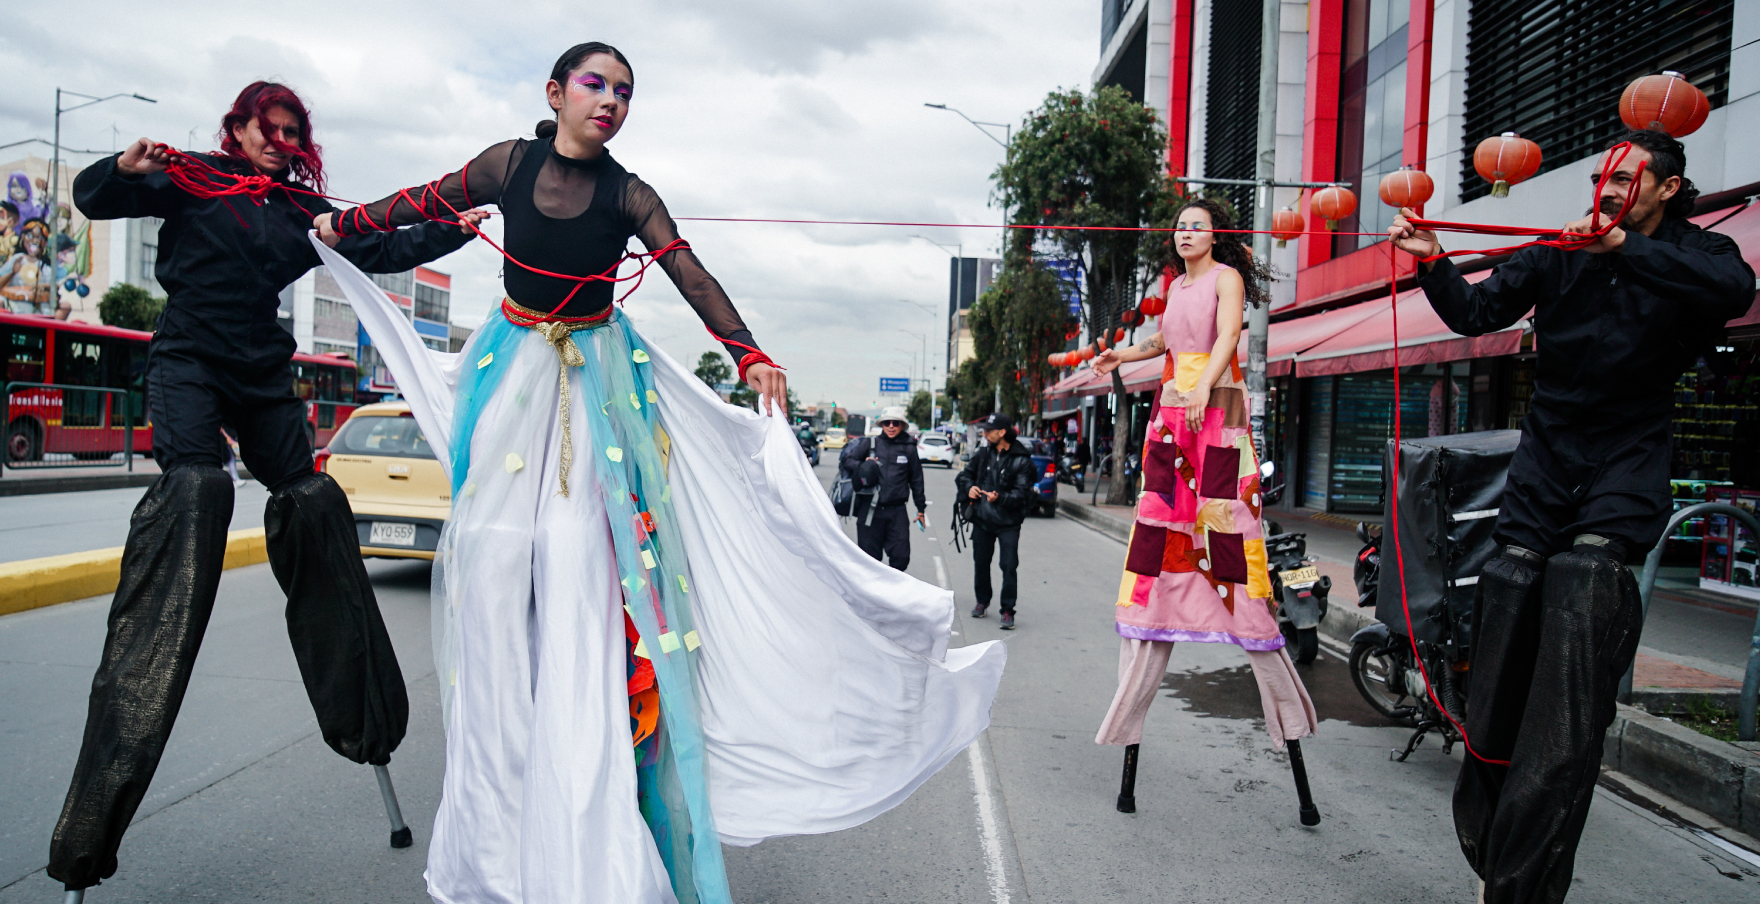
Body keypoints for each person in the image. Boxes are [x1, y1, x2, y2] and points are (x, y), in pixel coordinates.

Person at [312, 42, 1005, 904]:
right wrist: (341, 225)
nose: (610, 102)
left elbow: (687, 270)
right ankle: (497, 826)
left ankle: (587, 821)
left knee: (575, 576)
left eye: (626, 93)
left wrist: (749, 354)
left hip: (596, 391)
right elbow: (419, 200)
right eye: (595, 86)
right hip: (512, 374)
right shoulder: (508, 163)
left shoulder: (628, 193)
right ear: (556, 93)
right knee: (489, 567)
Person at [48, 81, 480, 896]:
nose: (280, 141)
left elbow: (380, 246)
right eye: (268, 129)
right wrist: (120, 166)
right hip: (187, 363)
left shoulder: (296, 210)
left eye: (292, 132)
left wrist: (452, 231)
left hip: (261, 375)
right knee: (197, 493)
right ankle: (95, 815)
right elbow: (94, 198)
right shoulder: (190, 176)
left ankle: (367, 725)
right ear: (237, 127)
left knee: (316, 505)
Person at [1390, 129, 1755, 903]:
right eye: (1602, 177)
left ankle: (1529, 882)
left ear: (1666, 187)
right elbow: (1476, 311)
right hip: (1545, 464)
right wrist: (1430, 258)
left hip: (1624, 467)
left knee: (1582, 594)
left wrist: (1625, 247)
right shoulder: (1559, 250)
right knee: (1511, 600)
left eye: (1627, 178)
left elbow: (1732, 292)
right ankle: (1492, 836)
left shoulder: (1699, 254)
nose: (1608, 187)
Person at [1088, 197, 1317, 762]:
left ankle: (1247, 620)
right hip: (1172, 411)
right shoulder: (1173, 289)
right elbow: (1163, 342)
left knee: (1224, 520)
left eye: (1197, 226)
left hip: (1216, 409)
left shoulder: (1225, 278)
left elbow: (1228, 337)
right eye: (1180, 226)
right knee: (1161, 517)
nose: (1186, 233)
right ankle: (1154, 609)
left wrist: (1201, 391)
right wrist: (1119, 354)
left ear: (1215, 236)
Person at [955, 413, 1035, 630]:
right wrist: (969, 487)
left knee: (1008, 566)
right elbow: (965, 476)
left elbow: (1021, 494)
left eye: (989, 430)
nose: (985, 434)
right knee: (981, 562)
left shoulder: (1021, 459)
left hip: (1009, 522)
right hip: (983, 519)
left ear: (1002, 432)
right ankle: (982, 601)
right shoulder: (983, 454)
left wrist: (1000, 498)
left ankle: (1008, 610)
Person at [846, 406, 926, 571]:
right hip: (870, 511)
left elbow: (917, 480)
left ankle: (892, 594)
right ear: (882, 425)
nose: (891, 426)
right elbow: (847, 460)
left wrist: (920, 510)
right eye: (887, 423)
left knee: (901, 558)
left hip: (897, 512)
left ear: (902, 425)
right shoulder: (871, 443)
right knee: (869, 561)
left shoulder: (909, 448)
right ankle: (872, 596)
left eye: (895, 423)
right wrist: (863, 464)